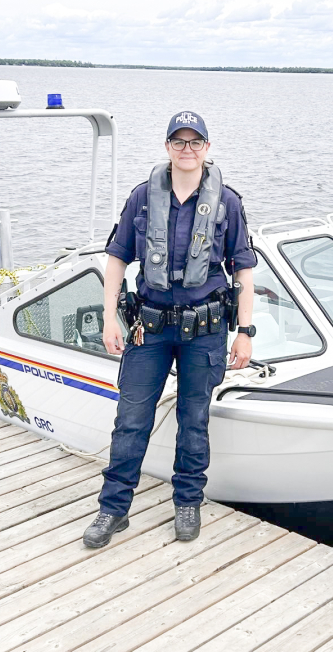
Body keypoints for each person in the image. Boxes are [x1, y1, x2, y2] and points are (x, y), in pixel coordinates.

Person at [83, 110, 257, 548]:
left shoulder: (227, 202)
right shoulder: (143, 197)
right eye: (178, 142)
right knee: (131, 420)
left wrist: (245, 331)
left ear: (207, 148)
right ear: (167, 147)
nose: (187, 149)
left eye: (195, 142)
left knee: (193, 420)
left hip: (205, 331)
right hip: (150, 328)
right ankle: (113, 509)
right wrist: (109, 317)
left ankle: (187, 503)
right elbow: (117, 258)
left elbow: (243, 271)